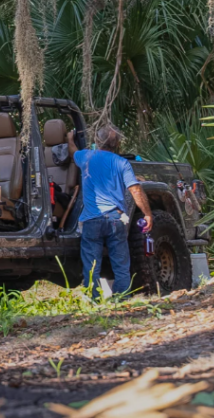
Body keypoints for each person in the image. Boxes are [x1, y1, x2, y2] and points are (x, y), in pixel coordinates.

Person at [66, 125, 153, 298]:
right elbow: (135, 190)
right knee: (121, 264)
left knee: (91, 266)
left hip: (91, 220)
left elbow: (72, 151)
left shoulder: (87, 157)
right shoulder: (122, 163)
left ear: (97, 141)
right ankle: (121, 299)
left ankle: (94, 300)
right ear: (117, 145)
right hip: (116, 218)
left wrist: (69, 138)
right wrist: (148, 214)